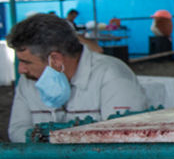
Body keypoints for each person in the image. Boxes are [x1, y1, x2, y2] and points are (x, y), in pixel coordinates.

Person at [6, 13, 149, 142]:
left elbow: (122, 137)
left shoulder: (113, 76)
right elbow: (17, 129)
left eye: (26, 62)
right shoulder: (29, 80)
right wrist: (53, 151)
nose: (21, 70)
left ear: (55, 59)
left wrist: (71, 156)